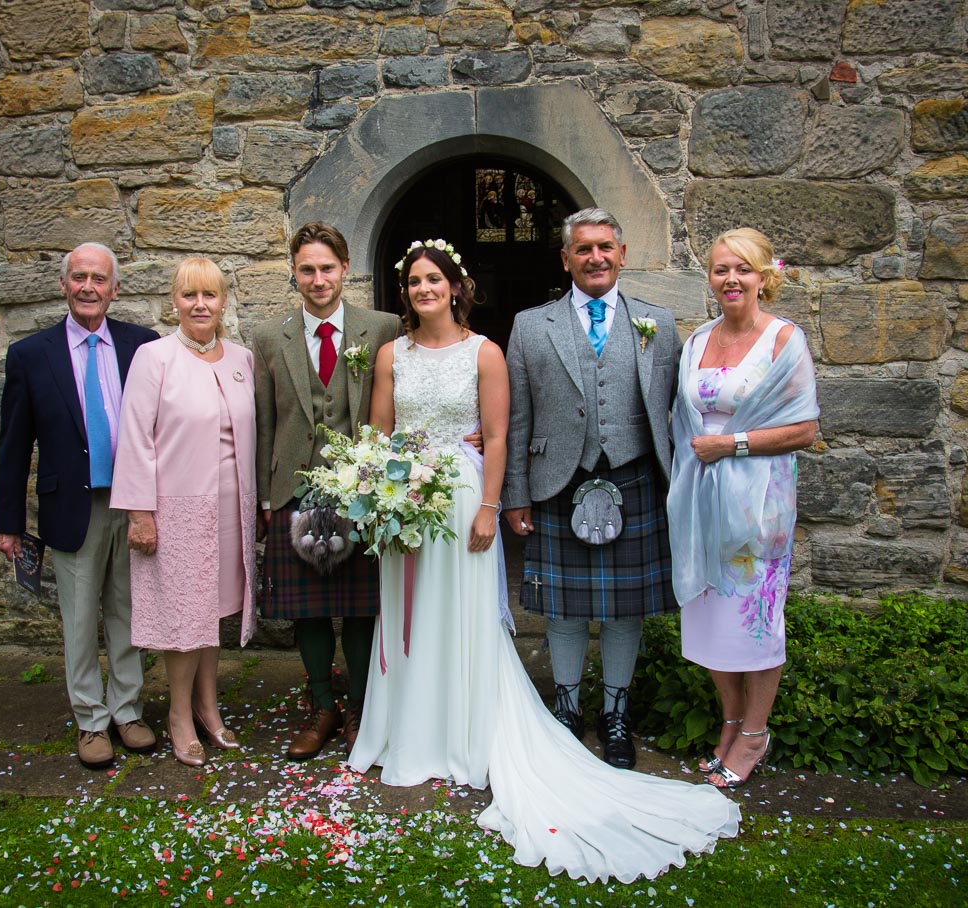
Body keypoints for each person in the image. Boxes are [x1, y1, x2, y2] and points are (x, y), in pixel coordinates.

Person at [350, 240, 740, 882]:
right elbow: (381, 434)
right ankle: (414, 732)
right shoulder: (398, 353)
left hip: (472, 498)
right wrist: (381, 494)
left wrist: (491, 505)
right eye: (415, 281)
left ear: (456, 286)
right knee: (414, 617)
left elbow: (501, 432)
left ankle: (578, 717)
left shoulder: (491, 349)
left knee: (473, 617)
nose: (425, 289)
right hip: (406, 500)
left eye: (435, 279)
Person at [503, 207, 683, 768]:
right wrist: (515, 493)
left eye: (605, 247)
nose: (596, 257)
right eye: (583, 249)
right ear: (566, 259)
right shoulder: (531, 326)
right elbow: (517, 418)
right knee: (563, 609)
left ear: (622, 255)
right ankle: (567, 710)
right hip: (558, 482)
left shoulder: (659, 322)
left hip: (636, 478)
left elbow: (680, 411)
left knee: (625, 611)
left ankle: (616, 714)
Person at [0, 242, 160, 769]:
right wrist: (8, 523)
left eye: (99, 279)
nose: (89, 287)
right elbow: (14, 445)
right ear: (64, 285)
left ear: (115, 289)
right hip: (72, 506)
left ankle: (127, 711)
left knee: (128, 612)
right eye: (80, 277)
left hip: (134, 504)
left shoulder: (143, 346)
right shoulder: (30, 355)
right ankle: (90, 720)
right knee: (80, 618)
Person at [667, 228, 818, 790]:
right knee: (710, 621)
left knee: (756, 623)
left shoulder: (783, 339)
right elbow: (682, 417)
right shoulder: (697, 339)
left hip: (757, 503)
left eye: (742, 269)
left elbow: (805, 428)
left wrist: (731, 445)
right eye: (720, 269)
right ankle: (730, 722)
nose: (731, 279)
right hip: (701, 499)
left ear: (764, 277)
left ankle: (755, 733)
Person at [251, 222, 401, 760]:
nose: (318, 279)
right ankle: (322, 707)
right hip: (294, 489)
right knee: (309, 610)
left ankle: (359, 708)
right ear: (294, 273)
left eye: (328, 268)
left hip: (362, 489)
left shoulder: (382, 328)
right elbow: (264, 421)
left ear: (345, 269)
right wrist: (265, 499)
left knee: (361, 608)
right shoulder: (269, 337)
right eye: (308, 269)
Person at [110, 258, 257, 767]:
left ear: (223, 302)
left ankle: (207, 706)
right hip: (177, 509)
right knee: (183, 615)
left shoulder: (241, 359)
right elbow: (134, 438)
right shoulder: (154, 358)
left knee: (212, 610)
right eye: (189, 295)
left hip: (230, 506)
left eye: (209, 295)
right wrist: (139, 513)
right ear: (174, 301)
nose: (200, 304)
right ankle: (178, 714)